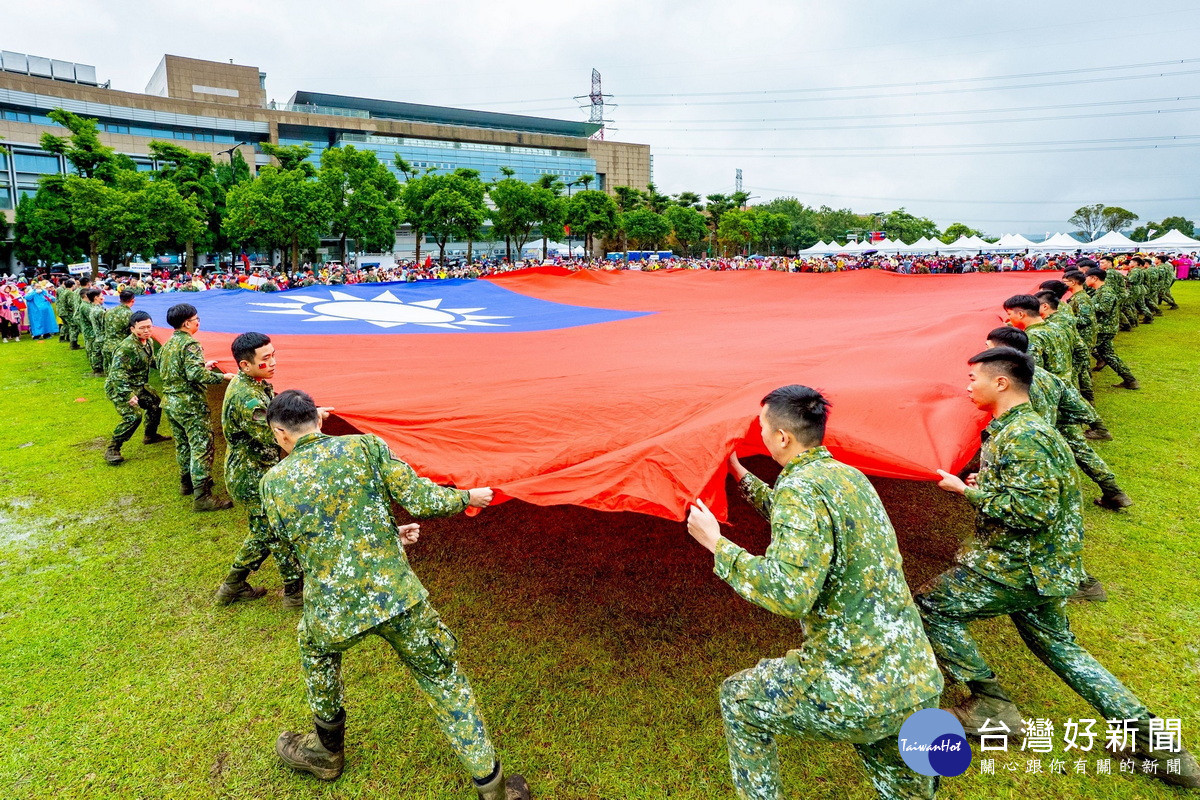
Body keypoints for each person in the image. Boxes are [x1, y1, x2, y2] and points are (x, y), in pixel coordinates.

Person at [917, 348, 1198, 790]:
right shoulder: (1022, 430)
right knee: (1062, 651)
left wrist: (965, 491)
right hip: (1045, 568)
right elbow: (1031, 495)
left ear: (1002, 383)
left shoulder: (1023, 436)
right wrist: (985, 484)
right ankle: (1161, 747)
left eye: (974, 378)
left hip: (1019, 567)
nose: (968, 386)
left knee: (932, 606)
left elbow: (1034, 511)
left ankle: (992, 705)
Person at [258, 390, 530, 800]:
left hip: (332, 609)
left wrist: (383, 538)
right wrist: (466, 497)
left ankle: (326, 753)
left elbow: (291, 545)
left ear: (280, 433)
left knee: (316, 653)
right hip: (398, 598)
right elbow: (419, 498)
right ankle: (492, 789)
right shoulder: (364, 446)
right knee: (444, 680)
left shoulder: (272, 482)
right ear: (318, 419)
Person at [685, 385, 943, 800]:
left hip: (855, 684)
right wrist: (739, 473)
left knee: (739, 699)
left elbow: (789, 593)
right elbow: (806, 530)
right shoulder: (845, 476)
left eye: (762, 426)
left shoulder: (800, 490)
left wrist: (717, 545)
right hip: (915, 678)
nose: (760, 433)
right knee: (902, 786)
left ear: (782, 437)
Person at [214, 332, 304, 608]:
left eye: (274, 354)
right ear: (244, 364)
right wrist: (312, 429)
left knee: (264, 531)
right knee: (274, 532)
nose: (273, 362)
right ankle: (293, 593)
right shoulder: (248, 399)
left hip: (254, 470)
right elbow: (277, 436)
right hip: (251, 475)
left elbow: (275, 412)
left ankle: (233, 585)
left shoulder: (252, 383)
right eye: (266, 358)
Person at [159, 303, 236, 511]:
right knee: (201, 447)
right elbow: (194, 374)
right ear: (186, 323)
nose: (198, 322)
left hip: (171, 402)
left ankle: (187, 483)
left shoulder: (168, 344)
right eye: (196, 319)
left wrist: (203, 365)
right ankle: (202, 496)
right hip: (189, 405)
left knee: (183, 444)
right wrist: (223, 376)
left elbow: (173, 368)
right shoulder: (190, 344)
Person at [103, 310, 171, 465]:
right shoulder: (126, 347)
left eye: (149, 327)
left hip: (139, 385)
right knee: (133, 417)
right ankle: (113, 448)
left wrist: (169, 366)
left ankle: (150, 436)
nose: (146, 331)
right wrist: (128, 395)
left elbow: (151, 360)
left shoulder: (149, 342)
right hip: (120, 387)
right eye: (142, 328)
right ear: (132, 329)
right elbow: (116, 374)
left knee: (155, 404)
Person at [1085, 268, 1139, 390]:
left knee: (1083, 354)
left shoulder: (1106, 292)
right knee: (1108, 355)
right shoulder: (1100, 291)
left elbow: (1104, 308)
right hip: (1104, 328)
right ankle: (1130, 380)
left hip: (1103, 329)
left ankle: (1086, 383)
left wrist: (1086, 306)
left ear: (1094, 278)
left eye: (1086, 277)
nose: (1085, 280)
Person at [1002, 294, 1070, 381]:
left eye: (1009, 314)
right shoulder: (1056, 327)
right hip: (1066, 384)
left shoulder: (1031, 337)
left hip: (1049, 388)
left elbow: (1034, 373)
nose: (1008, 318)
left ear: (1020, 314)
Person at [102, 290, 136, 369]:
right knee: (122, 371)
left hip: (107, 345)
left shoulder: (109, 311)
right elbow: (132, 333)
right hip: (121, 348)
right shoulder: (130, 315)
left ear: (119, 300)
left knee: (109, 372)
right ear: (133, 300)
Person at [76, 288, 106, 375]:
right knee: (94, 350)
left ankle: (97, 369)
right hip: (91, 332)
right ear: (96, 297)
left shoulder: (90, 306)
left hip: (92, 331)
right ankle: (97, 369)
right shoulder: (87, 307)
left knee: (94, 350)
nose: (103, 297)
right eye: (102, 296)